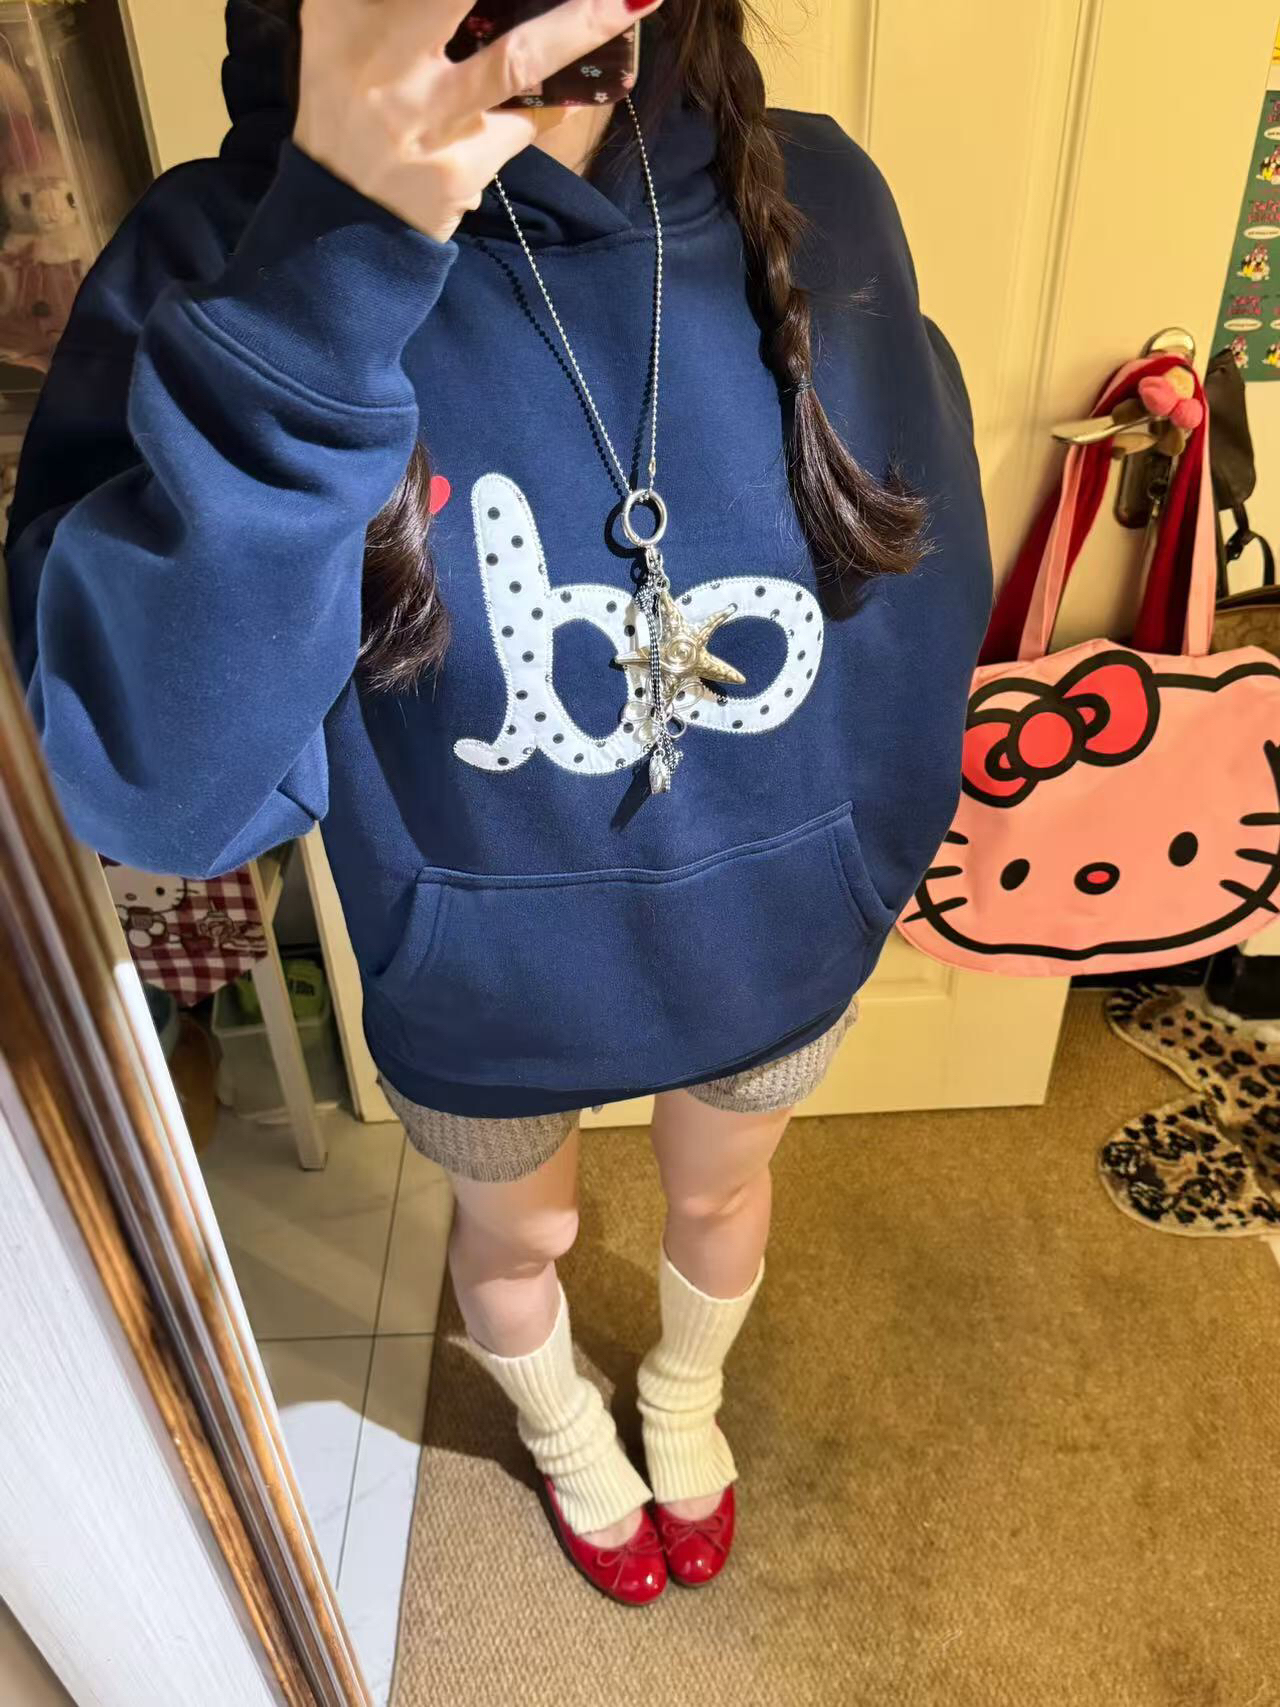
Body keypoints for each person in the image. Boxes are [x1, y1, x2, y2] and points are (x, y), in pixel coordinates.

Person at [5, 0, 991, 1603]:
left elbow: (922, 591)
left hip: (779, 946)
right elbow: (156, 790)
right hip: (475, 997)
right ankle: (564, 1432)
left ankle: (682, 1395)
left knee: (723, 1192)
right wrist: (330, 273)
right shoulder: (219, 255)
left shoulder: (818, 191)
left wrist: (866, 867)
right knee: (519, 1240)